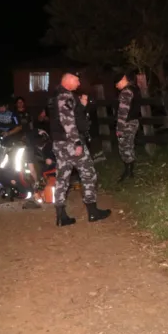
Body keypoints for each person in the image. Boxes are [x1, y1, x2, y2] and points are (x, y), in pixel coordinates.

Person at [47, 71, 111, 226]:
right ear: (68, 80)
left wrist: (81, 105)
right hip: (70, 142)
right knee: (88, 173)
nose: (79, 83)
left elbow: (66, 116)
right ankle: (93, 211)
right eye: (76, 80)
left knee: (62, 178)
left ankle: (61, 215)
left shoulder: (56, 96)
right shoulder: (66, 96)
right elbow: (67, 121)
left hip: (59, 142)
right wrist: (76, 143)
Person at [114, 70, 141, 182]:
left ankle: (127, 172)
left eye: (117, 83)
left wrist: (119, 129)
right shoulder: (135, 88)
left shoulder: (126, 92)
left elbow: (123, 111)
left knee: (124, 147)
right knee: (129, 146)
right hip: (134, 121)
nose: (116, 86)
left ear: (123, 80)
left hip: (127, 123)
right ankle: (130, 172)